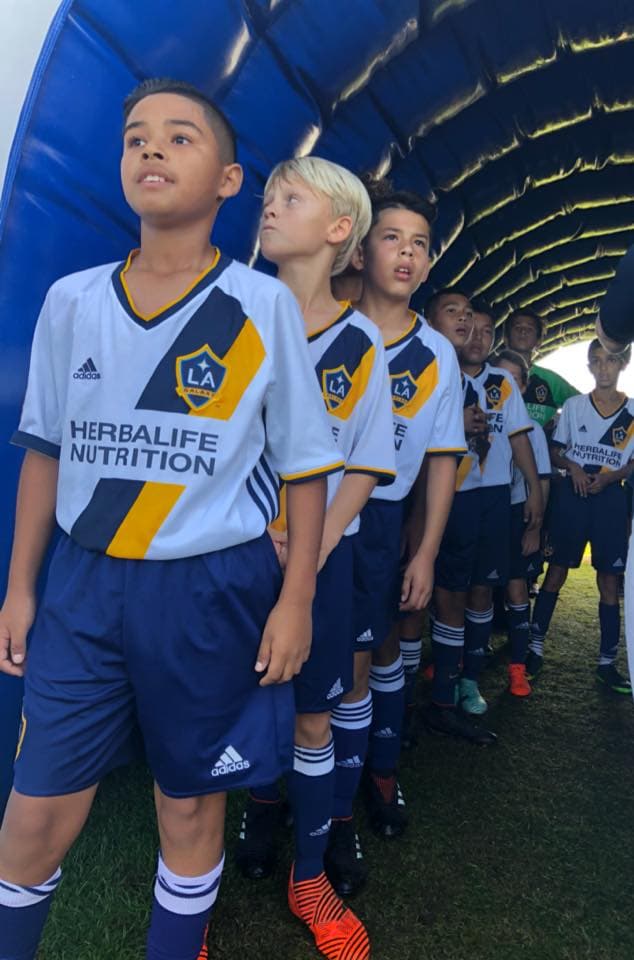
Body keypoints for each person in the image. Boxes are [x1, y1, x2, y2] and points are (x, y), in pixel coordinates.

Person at [0, 79, 343, 960]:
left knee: (188, 806)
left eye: (180, 137)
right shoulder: (73, 301)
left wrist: (296, 599)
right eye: (135, 137)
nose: (151, 148)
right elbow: (45, 453)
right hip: (83, 587)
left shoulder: (261, 306)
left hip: (211, 588)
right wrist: (20, 589)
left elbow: (307, 469)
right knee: (33, 816)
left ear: (229, 181)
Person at [236, 156, 395, 960]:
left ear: (338, 230)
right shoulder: (227, 308)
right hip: (228, 556)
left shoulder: (360, 340)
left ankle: (308, 873)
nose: (270, 206)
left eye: (289, 197)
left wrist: (311, 543)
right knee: (227, 707)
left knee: (310, 712)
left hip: (322, 556)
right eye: (267, 196)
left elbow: (363, 463)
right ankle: (236, 834)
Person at [329, 185, 466, 869]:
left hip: (381, 520)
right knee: (287, 659)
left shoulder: (437, 353)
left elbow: (441, 462)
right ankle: (270, 803)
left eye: (419, 243)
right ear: (361, 248)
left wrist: (427, 551)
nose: (406, 253)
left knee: (368, 657)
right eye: (392, 238)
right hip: (304, 511)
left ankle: (361, 789)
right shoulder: (320, 323)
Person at [527, 340, 634, 694]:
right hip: (573, 497)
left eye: (611, 361)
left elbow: (632, 463)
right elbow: (555, 451)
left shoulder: (633, 411)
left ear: (623, 364)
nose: (604, 368)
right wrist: (572, 467)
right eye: (597, 361)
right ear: (589, 366)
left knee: (609, 580)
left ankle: (607, 663)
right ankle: (534, 648)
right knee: (556, 571)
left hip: (610, 500)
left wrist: (612, 477)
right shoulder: (573, 407)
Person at [457, 303, 543, 714]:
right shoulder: (440, 374)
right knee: (442, 591)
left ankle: (469, 679)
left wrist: (535, 491)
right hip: (446, 495)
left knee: (481, 589)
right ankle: (439, 671)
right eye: (471, 328)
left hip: (493, 498)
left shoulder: (502, 383)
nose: (479, 338)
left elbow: (520, 438)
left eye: (488, 331)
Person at [425, 289, 497, 743]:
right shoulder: (414, 361)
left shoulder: (469, 384)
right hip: (400, 501)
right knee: (406, 606)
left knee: (448, 595)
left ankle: (442, 700)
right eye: (452, 312)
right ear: (428, 319)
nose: (464, 320)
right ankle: (394, 706)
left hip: (453, 499)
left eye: (468, 314)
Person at [492, 350, 551, 696]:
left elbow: (541, 481)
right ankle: (459, 665)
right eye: (501, 378)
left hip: (517, 514)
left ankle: (517, 668)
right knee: (475, 591)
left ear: (524, 386)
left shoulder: (533, 431)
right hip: (485, 511)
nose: (507, 386)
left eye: (514, 380)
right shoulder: (477, 417)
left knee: (516, 589)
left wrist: (535, 527)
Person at [504, 309, 578, 429]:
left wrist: (559, 424)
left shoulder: (550, 380)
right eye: (517, 327)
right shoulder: (490, 374)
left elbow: (584, 406)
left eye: (529, 329)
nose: (523, 331)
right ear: (506, 338)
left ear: (539, 341)